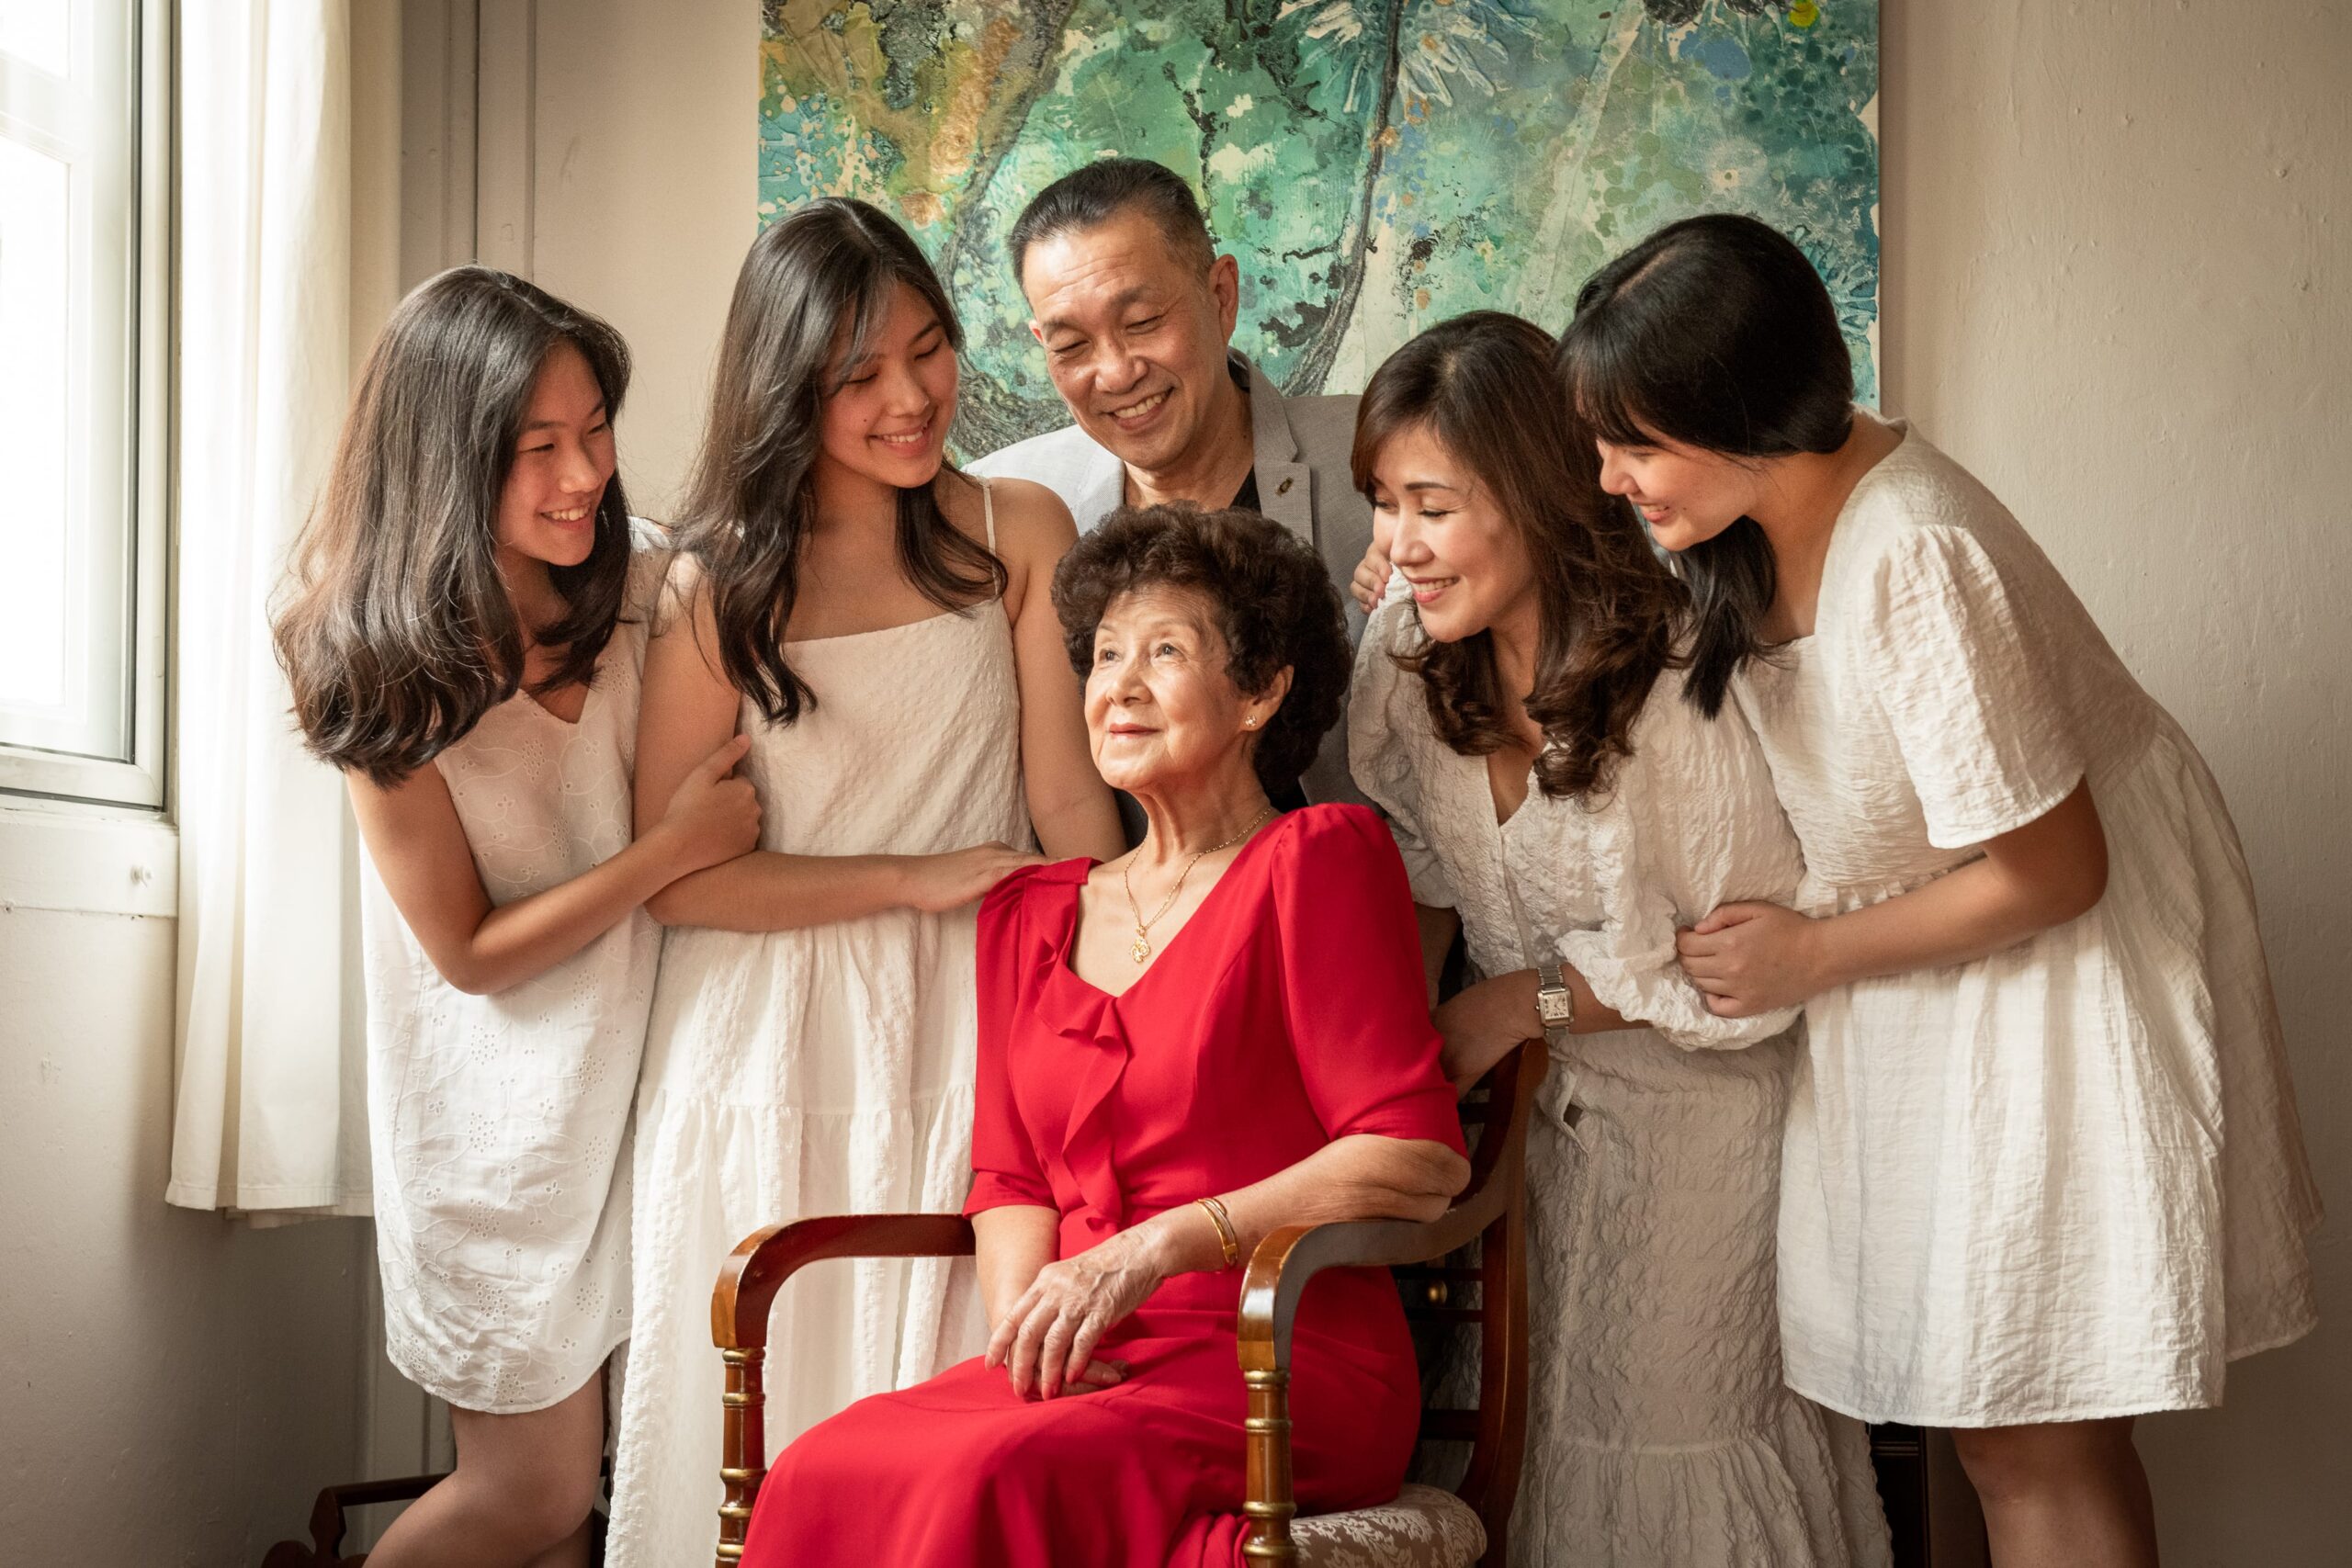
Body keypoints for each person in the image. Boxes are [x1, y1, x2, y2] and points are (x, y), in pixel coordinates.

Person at [1558, 214, 2322, 1568]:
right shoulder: (1751, 508)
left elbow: (2058, 865)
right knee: (1987, 1416)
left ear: (1751, 409)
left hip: (2049, 961)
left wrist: (1807, 957)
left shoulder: (1914, 552)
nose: (1612, 476)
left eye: (1638, 441)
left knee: (2035, 1425)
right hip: (1933, 965)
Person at [734, 505, 1471, 1567]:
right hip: (1085, 1354)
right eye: (1105, 654)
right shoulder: (1029, 912)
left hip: (1275, 1352)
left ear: (1261, 690)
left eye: (1165, 652)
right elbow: (1010, 1180)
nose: (1118, 684)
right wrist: (1032, 1334)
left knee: (988, 1479)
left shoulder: (1316, 858)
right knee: (823, 1468)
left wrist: (1154, 1248)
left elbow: (1413, 1156)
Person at [601, 198, 1124, 1568]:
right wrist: (915, 873)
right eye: (859, 375)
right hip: (765, 1033)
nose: (911, 397)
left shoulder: (1020, 526)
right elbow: (680, 884)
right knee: (769, 1416)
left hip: (975, 1017)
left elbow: (1071, 807)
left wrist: (1135, 991)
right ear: (790, 387)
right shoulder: (718, 587)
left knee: (961, 1404)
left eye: (930, 349)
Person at [1347, 311, 1891, 1567]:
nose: (1398, 546)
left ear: (1541, 492)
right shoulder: (1408, 644)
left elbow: (1733, 963)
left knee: (1665, 1442)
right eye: (1385, 502)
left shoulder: (1679, 667)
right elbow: (1423, 871)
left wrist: (1503, 1011)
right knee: (1518, 1433)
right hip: (1516, 1120)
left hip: (1704, 1116)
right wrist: (1395, 1053)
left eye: (1433, 504)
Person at [272, 267, 761, 1568]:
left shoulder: (648, 584)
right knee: (533, 1493)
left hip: (642, 1085)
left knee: (593, 1506)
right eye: (535, 447)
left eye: (593, 427)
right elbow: (469, 951)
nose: (583, 473)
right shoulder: (372, 661)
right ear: (444, 459)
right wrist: (666, 854)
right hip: (493, 1126)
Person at [969, 157, 1374, 807]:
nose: (1116, 373)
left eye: (1142, 322)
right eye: (1071, 346)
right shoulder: (1010, 508)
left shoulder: (1378, 459)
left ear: (1221, 296)